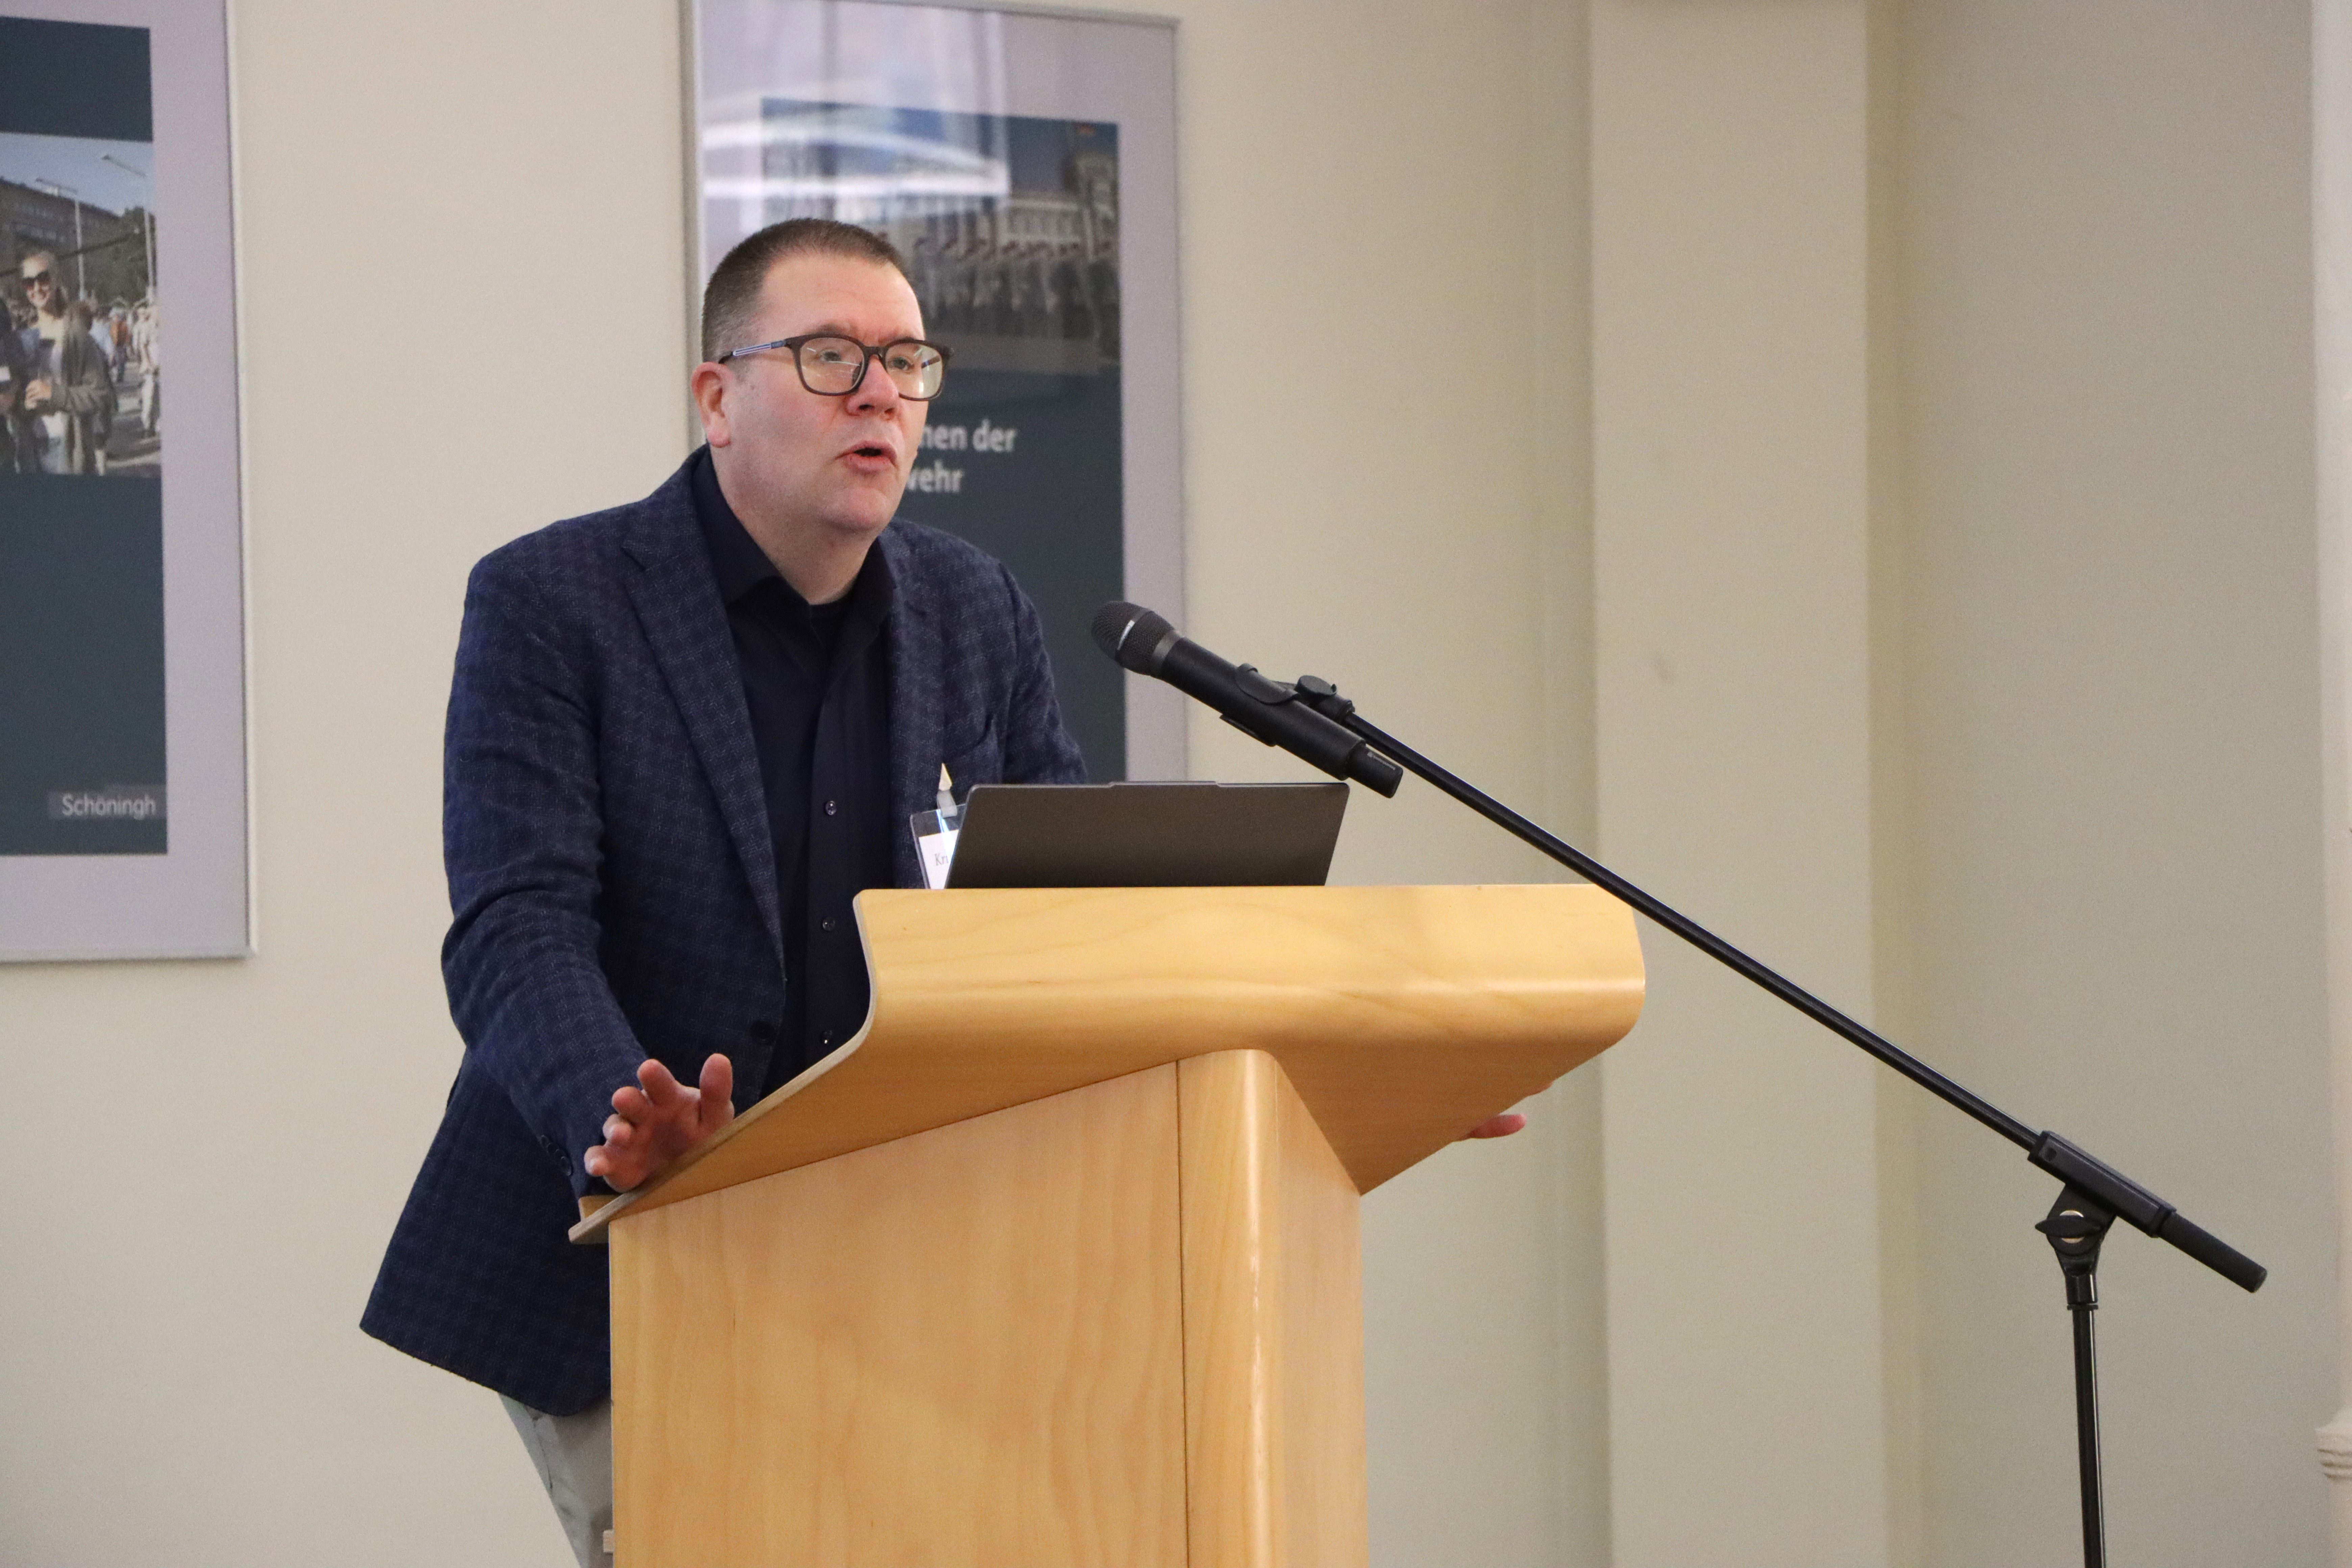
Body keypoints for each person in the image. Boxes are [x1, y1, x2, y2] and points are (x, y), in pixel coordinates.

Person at [360, 218, 1088, 1566]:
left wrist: (1322, 1051)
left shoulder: (975, 607)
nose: (880, 393)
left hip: (907, 1246)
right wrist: (621, 1114)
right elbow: (518, 923)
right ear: (718, 396)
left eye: (907, 361)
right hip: (638, 1242)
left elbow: (1070, 917)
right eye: (831, 356)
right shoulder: (555, 600)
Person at [9, 252, 111, 474]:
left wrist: (53, 394)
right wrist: (23, 404)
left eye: (43, 279)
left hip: (70, 448)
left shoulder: (76, 336)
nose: (37, 288)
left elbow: (100, 395)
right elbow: (15, 402)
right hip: (31, 450)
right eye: (29, 283)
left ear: (55, 280)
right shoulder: (21, 338)